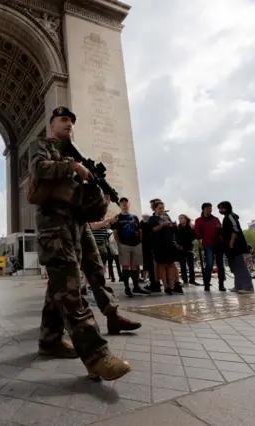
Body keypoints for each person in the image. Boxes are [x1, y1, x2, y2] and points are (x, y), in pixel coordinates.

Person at [28, 106, 132, 381]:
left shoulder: (77, 157)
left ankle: (49, 340)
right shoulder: (43, 146)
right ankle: (97, 357)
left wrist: (98, 195)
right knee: (71, 290)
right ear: (52, 126)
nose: (69, 125)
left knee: (67, 283)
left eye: (72, 122)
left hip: (77, 225)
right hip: (55, 226)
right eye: (63, 120)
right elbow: (38, 170)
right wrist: (73, 167)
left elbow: (88, 207)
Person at [111, 197, 150, 296]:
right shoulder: (117, 218)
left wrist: (140, 241)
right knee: (126, 266)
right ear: (120, 205)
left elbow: (139, 230)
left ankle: (136, 287)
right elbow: (115, 233)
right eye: (122, 203)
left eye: (126, 203)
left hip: (136, 244)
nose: (124, 204)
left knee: (135, 266)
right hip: (124, 244)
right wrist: (120, 243)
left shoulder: (134, 217)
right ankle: (127, 288)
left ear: (129, 204)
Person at [217, 201, 254, 294]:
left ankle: (247, 287)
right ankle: (238, 285)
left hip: (235, 245)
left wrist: (231, 241)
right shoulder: (226, 218)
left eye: (222, 208)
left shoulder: (231, 216)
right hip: (229, 246)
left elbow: (235, 229)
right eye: (219, 208)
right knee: (234, 266)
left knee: (240, 265)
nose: (220, 210)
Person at [148, 201, 182, 295]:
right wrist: (163, 224)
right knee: (162, 266)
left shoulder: (167, 217)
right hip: (159, 246)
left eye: (162, 208)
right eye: (159, 208)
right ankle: (166, 287)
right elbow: (153, 230)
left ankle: (172, 286)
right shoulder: (152, 219)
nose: (161, 210)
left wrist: (173, 225)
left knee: (171, 265)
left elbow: (172, 230)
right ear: (155, 209)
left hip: (169, 245)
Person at [195, 202, 225, 292]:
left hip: (219, 244)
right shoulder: (198, 220)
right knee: (210, 264)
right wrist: (200, 243)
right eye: (208, 208)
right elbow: (198, 234)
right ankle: (207, 284)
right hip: (207, 244)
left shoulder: (216, 219)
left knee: (221, 265)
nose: (210, 210)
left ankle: (221, 285)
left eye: (211, 208)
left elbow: (220, 231)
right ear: (203, 209)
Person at [176, 215, 197, 286]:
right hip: (180, 249)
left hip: (189, 249)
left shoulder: (191, 227)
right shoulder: (178, 228)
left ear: (186, 219)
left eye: (182, 218)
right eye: (179, 219)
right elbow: (176, 238)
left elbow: (194, 237)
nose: (181, 220)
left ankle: (192, 280)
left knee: (191, 265)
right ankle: (185, 281)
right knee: (183, 266)